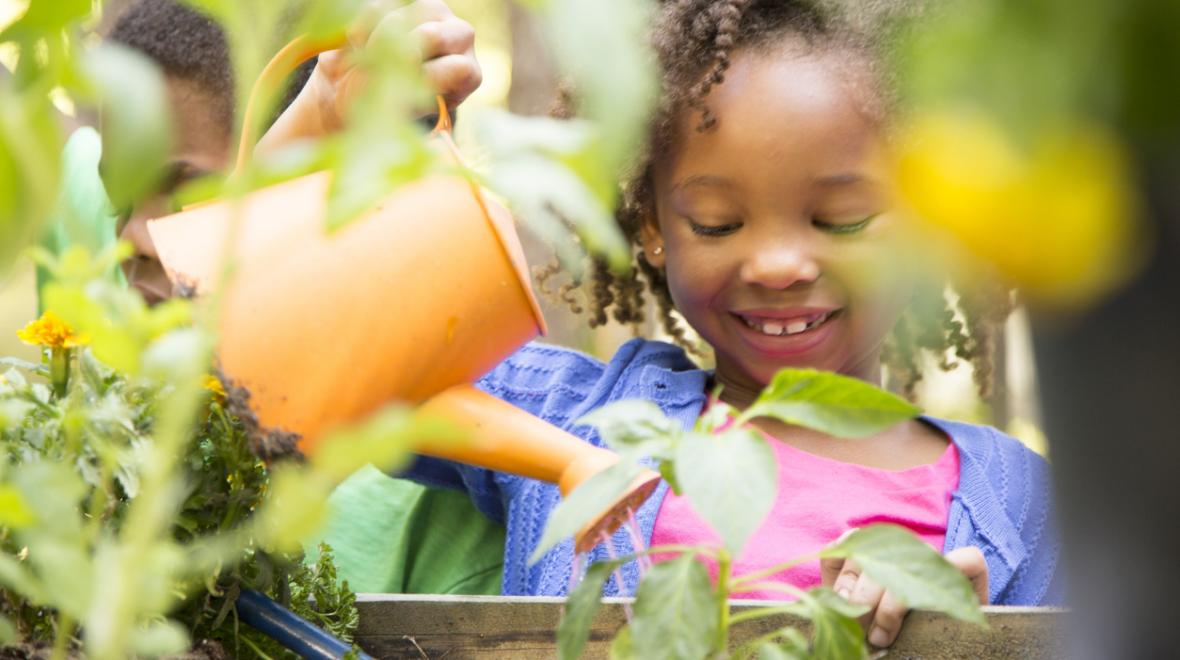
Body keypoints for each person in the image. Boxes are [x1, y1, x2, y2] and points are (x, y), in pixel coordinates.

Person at [402, 0, 1061, 648]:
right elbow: (360, 370)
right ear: (654, 228)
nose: (777, 266)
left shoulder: (1023, 507)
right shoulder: (571, 418)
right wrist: (381, 124)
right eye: (717, 222)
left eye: (843, 220)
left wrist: (959, 637)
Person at [65, 0, 507, 596]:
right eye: (120, 203)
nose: (132, 240)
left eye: (191, 193)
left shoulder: (440, 503)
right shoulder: (110, 464)